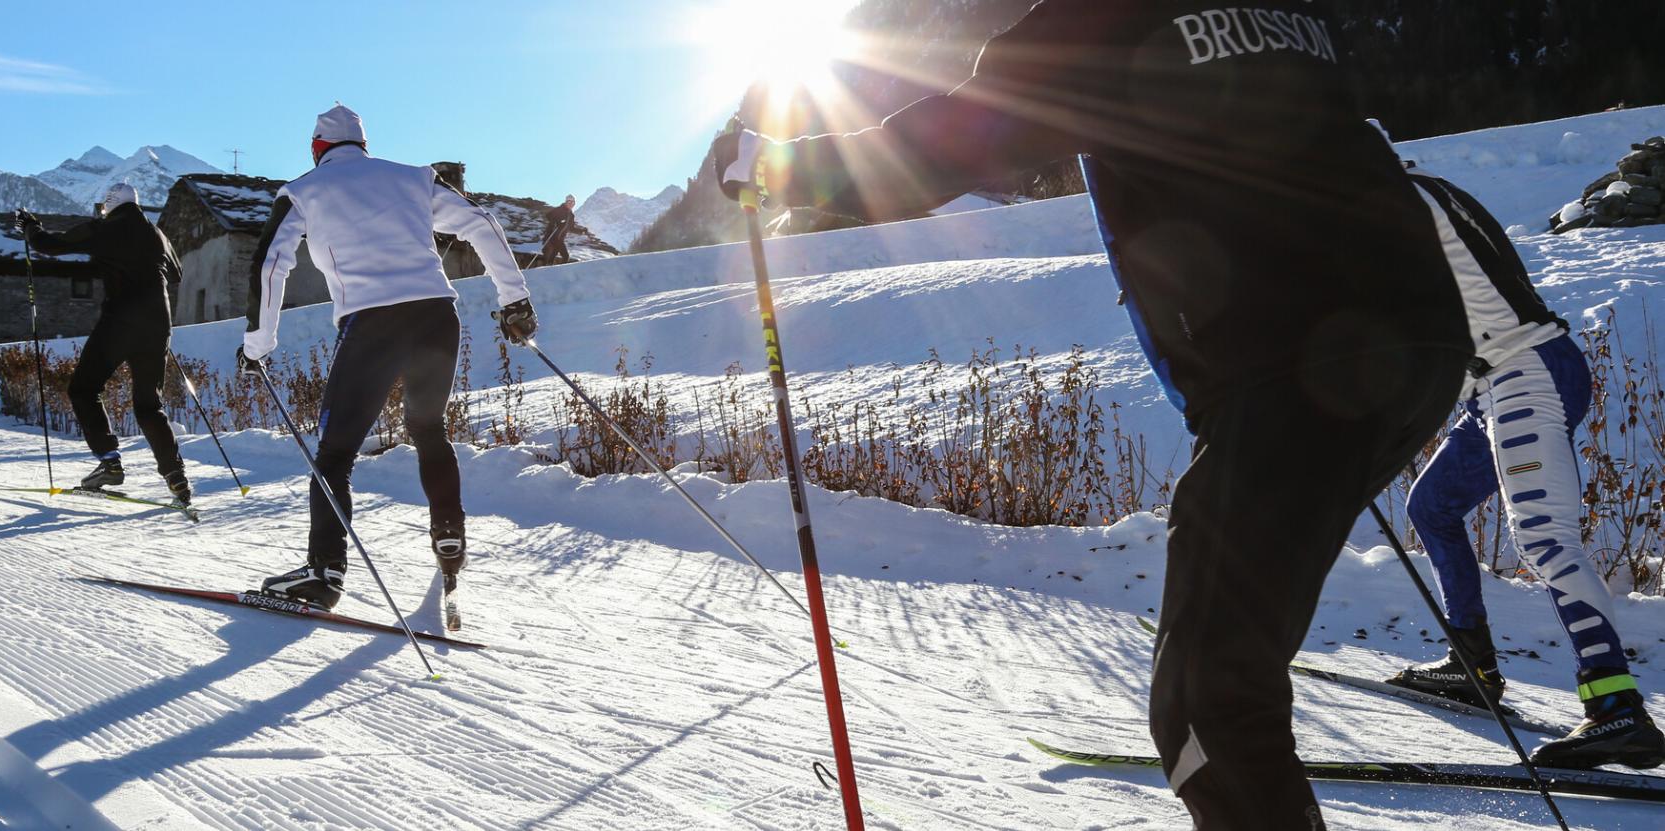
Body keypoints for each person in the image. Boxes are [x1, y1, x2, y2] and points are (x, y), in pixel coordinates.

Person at [711, 4, 1471, 827]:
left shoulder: (1097, 18)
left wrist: (778, 168)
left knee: (1206, 700)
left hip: (1293, 370)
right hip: (1407, 344)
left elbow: (957, 138)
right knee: (1225, 670)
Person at [1378, 138, 1665, 769]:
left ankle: (1617, 709)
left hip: (1523, 371)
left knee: (1545, 538)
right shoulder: (1432, 195)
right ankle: (1471, 664)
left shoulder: (1404, 206)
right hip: (1505, 374)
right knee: (1433, 504)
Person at [241, 103, 537, 611]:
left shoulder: (303, 191)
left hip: (371, 324)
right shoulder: (413, 179)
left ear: (316, 149)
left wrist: (258, 345)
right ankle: (449, 535)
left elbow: (271, 265)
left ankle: (324, 573)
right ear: (364, 144)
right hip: (436, 316)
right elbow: (482, 223)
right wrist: (515, 300)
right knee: (428, 428)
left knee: (335, 453)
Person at [15, 183, 191, 506]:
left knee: (84, 388)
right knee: (149, 405)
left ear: (109, 206)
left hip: (120, 322)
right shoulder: (158, 235)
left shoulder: (104, 229)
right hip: (158, 324)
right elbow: (176, 274)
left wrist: (30, 228)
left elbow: (49, 245)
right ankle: (176, 477)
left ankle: (110, 462)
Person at [538, 194, 575, 266]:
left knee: (562, 256)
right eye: (569, 202)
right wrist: (557, 222)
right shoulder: (559, 209)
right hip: (552, 237)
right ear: (566, 202)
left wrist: (582, 231)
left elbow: (571, 228)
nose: (571, 204)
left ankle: (553, 272)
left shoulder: (571, 215)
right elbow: (548, 215)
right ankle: (548, 271)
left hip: (560, 239)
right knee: (561, 256)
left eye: (572, 203)